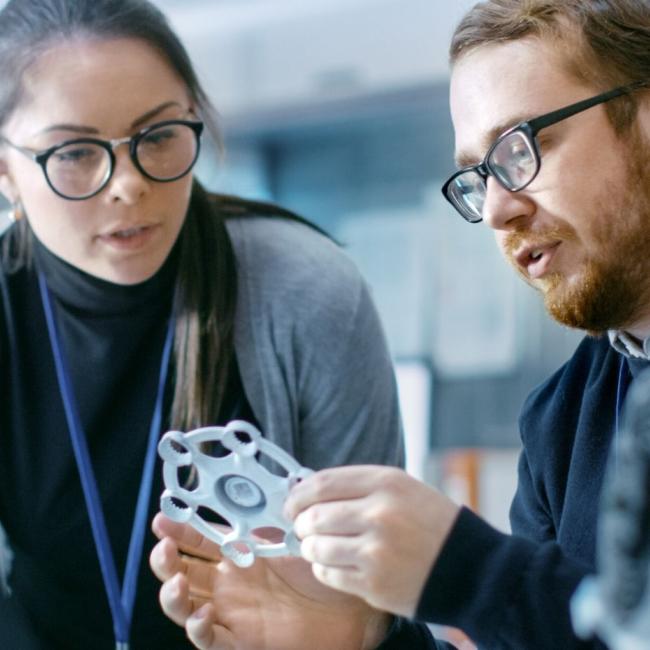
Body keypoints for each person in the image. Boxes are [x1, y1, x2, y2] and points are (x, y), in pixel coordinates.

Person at [150, 1, 650, 648]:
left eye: (521, 148)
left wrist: (470, 571)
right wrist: (358, 637)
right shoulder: (560, 420)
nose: (497, 209)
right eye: (479, 173)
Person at [0, 0, 406, 648]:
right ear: (6, 170)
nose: (128, 185)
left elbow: (374, 602)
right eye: (75, 152)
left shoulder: (307, 292)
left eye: (158, 136)